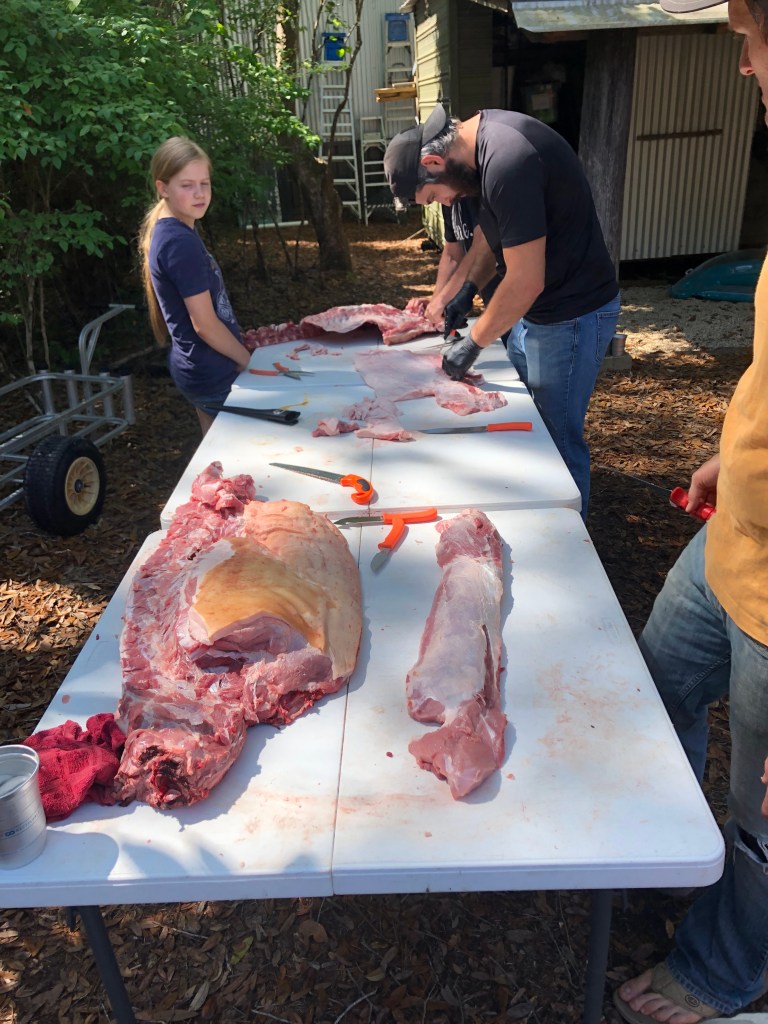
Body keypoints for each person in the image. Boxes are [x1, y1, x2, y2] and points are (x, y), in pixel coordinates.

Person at [612, 1, 768, 1021]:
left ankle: (725, 967)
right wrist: (732, 456)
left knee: (763, 816)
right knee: (653, 688)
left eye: (753, 39)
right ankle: (667, 855)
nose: (746, 66)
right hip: (729, 547)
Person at [383, 104, 621, 517]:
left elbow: (526, 280)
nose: (447, 201)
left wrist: (472, 344)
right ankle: (534, 516)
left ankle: (569, 540)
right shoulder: (482, 156)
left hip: (571, 313)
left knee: (556, 441)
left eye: (435, 196)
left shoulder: (508, 160)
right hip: (536, 312)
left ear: (433, 162)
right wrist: (467, 290)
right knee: (528, 428)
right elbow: (492, 241)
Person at [138, 136, 250, 436]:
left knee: (216, 452)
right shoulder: (179, 242)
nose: (199, 194)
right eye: (187, 185)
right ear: (163, 188)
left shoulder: (178, 227)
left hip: (199, 368)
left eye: (205, 183)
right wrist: (246, 361)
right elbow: (204, 325)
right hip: (213, 372)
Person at [405, 197, 500, 331]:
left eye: (432, 196)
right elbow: (452, 254)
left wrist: (443, 298)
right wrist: (435, 303)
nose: (439, 201)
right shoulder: (448, 198)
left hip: (513, 297)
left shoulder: (476, 195)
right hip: (494, 305)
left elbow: (481, 247)